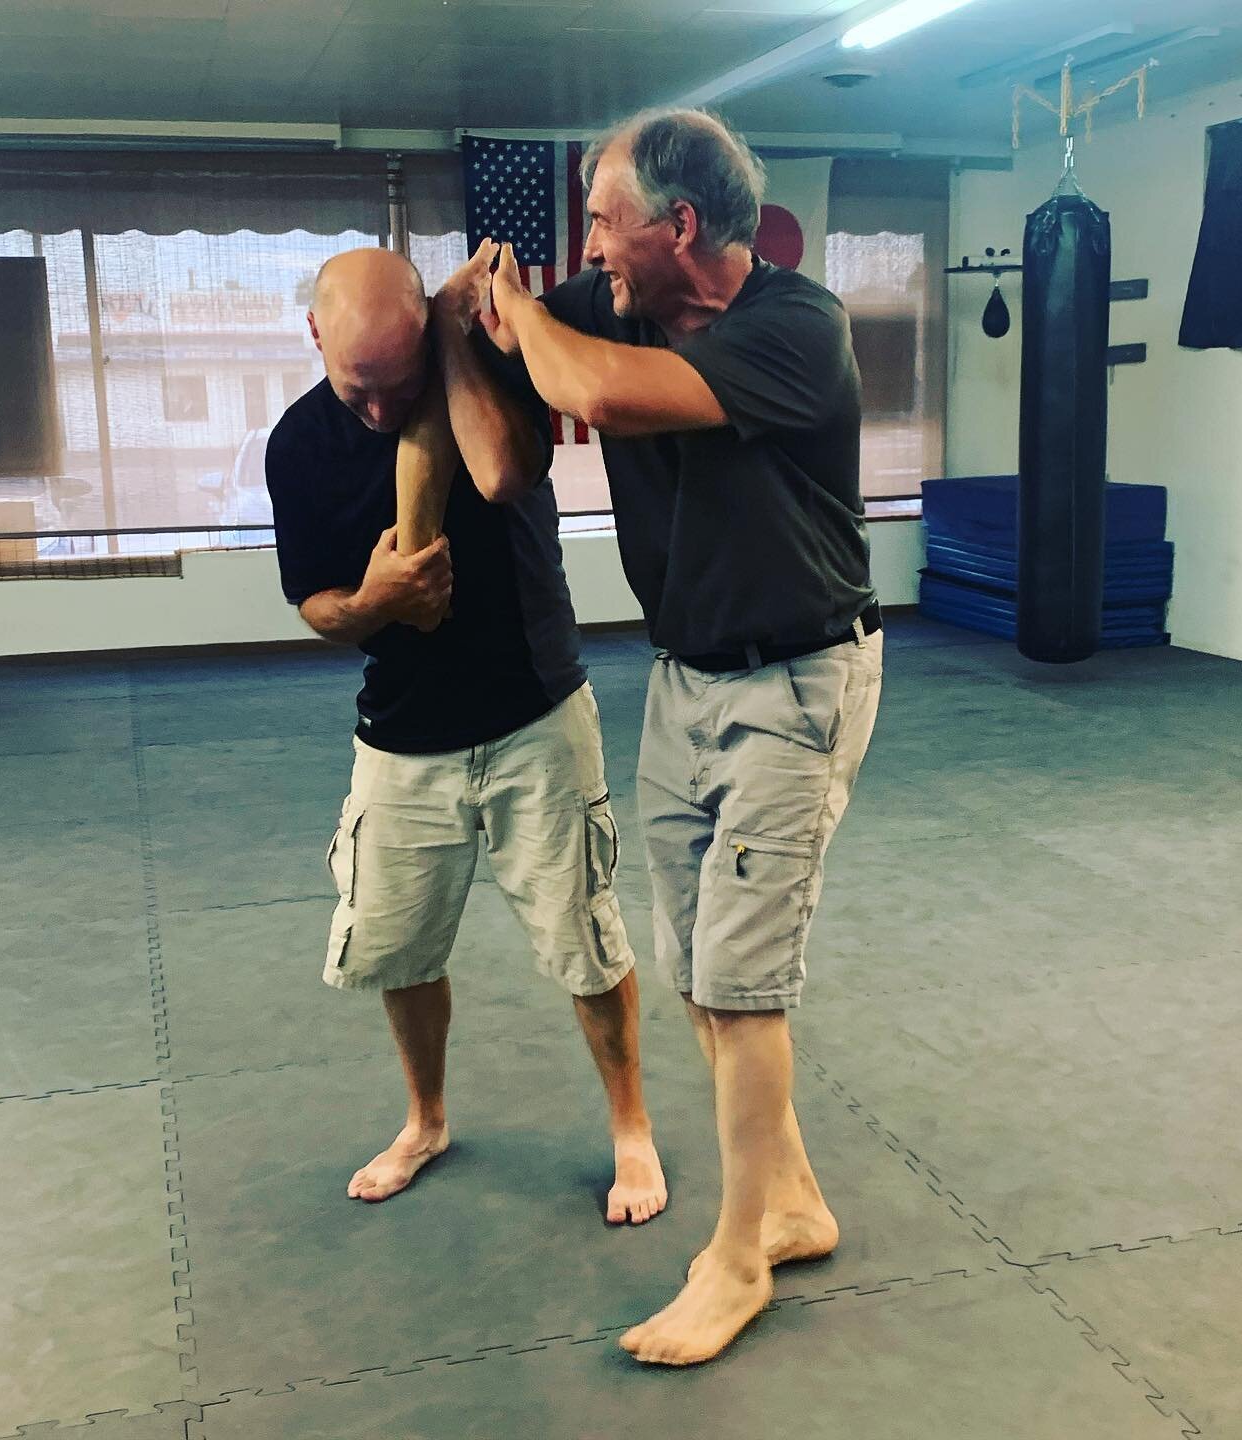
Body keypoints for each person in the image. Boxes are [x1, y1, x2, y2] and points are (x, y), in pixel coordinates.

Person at [484, 109, 883, 1364]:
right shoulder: (618, 300)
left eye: (605, 219)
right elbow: (511, 339)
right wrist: (481, 296)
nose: (589, 246)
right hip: (682, 684)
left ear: (682, 226)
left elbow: (591, 390)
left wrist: (520, 305)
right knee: (707, 979)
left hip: (798, 682)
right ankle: (797, 1202)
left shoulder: (796, 328)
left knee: (744, 988)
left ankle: (737, 1256)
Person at [264, 244, 667, 1226]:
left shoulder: (485, 381)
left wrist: (452, 344)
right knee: (398, 951)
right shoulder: (298, 447)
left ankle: (631, 1129)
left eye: (395, 383)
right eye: (358, 388)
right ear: (314, 336)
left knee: (584, 940)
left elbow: (501, 474)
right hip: (400, 739)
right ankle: (426, 1120)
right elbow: (317, 605)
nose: (376, 411)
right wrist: (374, 599)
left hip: (534, 715)